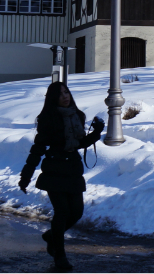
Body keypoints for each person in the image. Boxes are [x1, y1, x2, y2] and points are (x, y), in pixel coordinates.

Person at [18, 82, 104, 272]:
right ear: (53, 98)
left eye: (66, 92)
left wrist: (97, 131)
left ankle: (52, 236)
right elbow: (38, 149)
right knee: (62, 212)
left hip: (73, 169)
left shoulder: (77, 115)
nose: (65, 96)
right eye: (60, 94)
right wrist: (26, 176)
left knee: (77, 212)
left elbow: (80, 143)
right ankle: (60, 255)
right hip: (54, 170)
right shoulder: (48, 118)